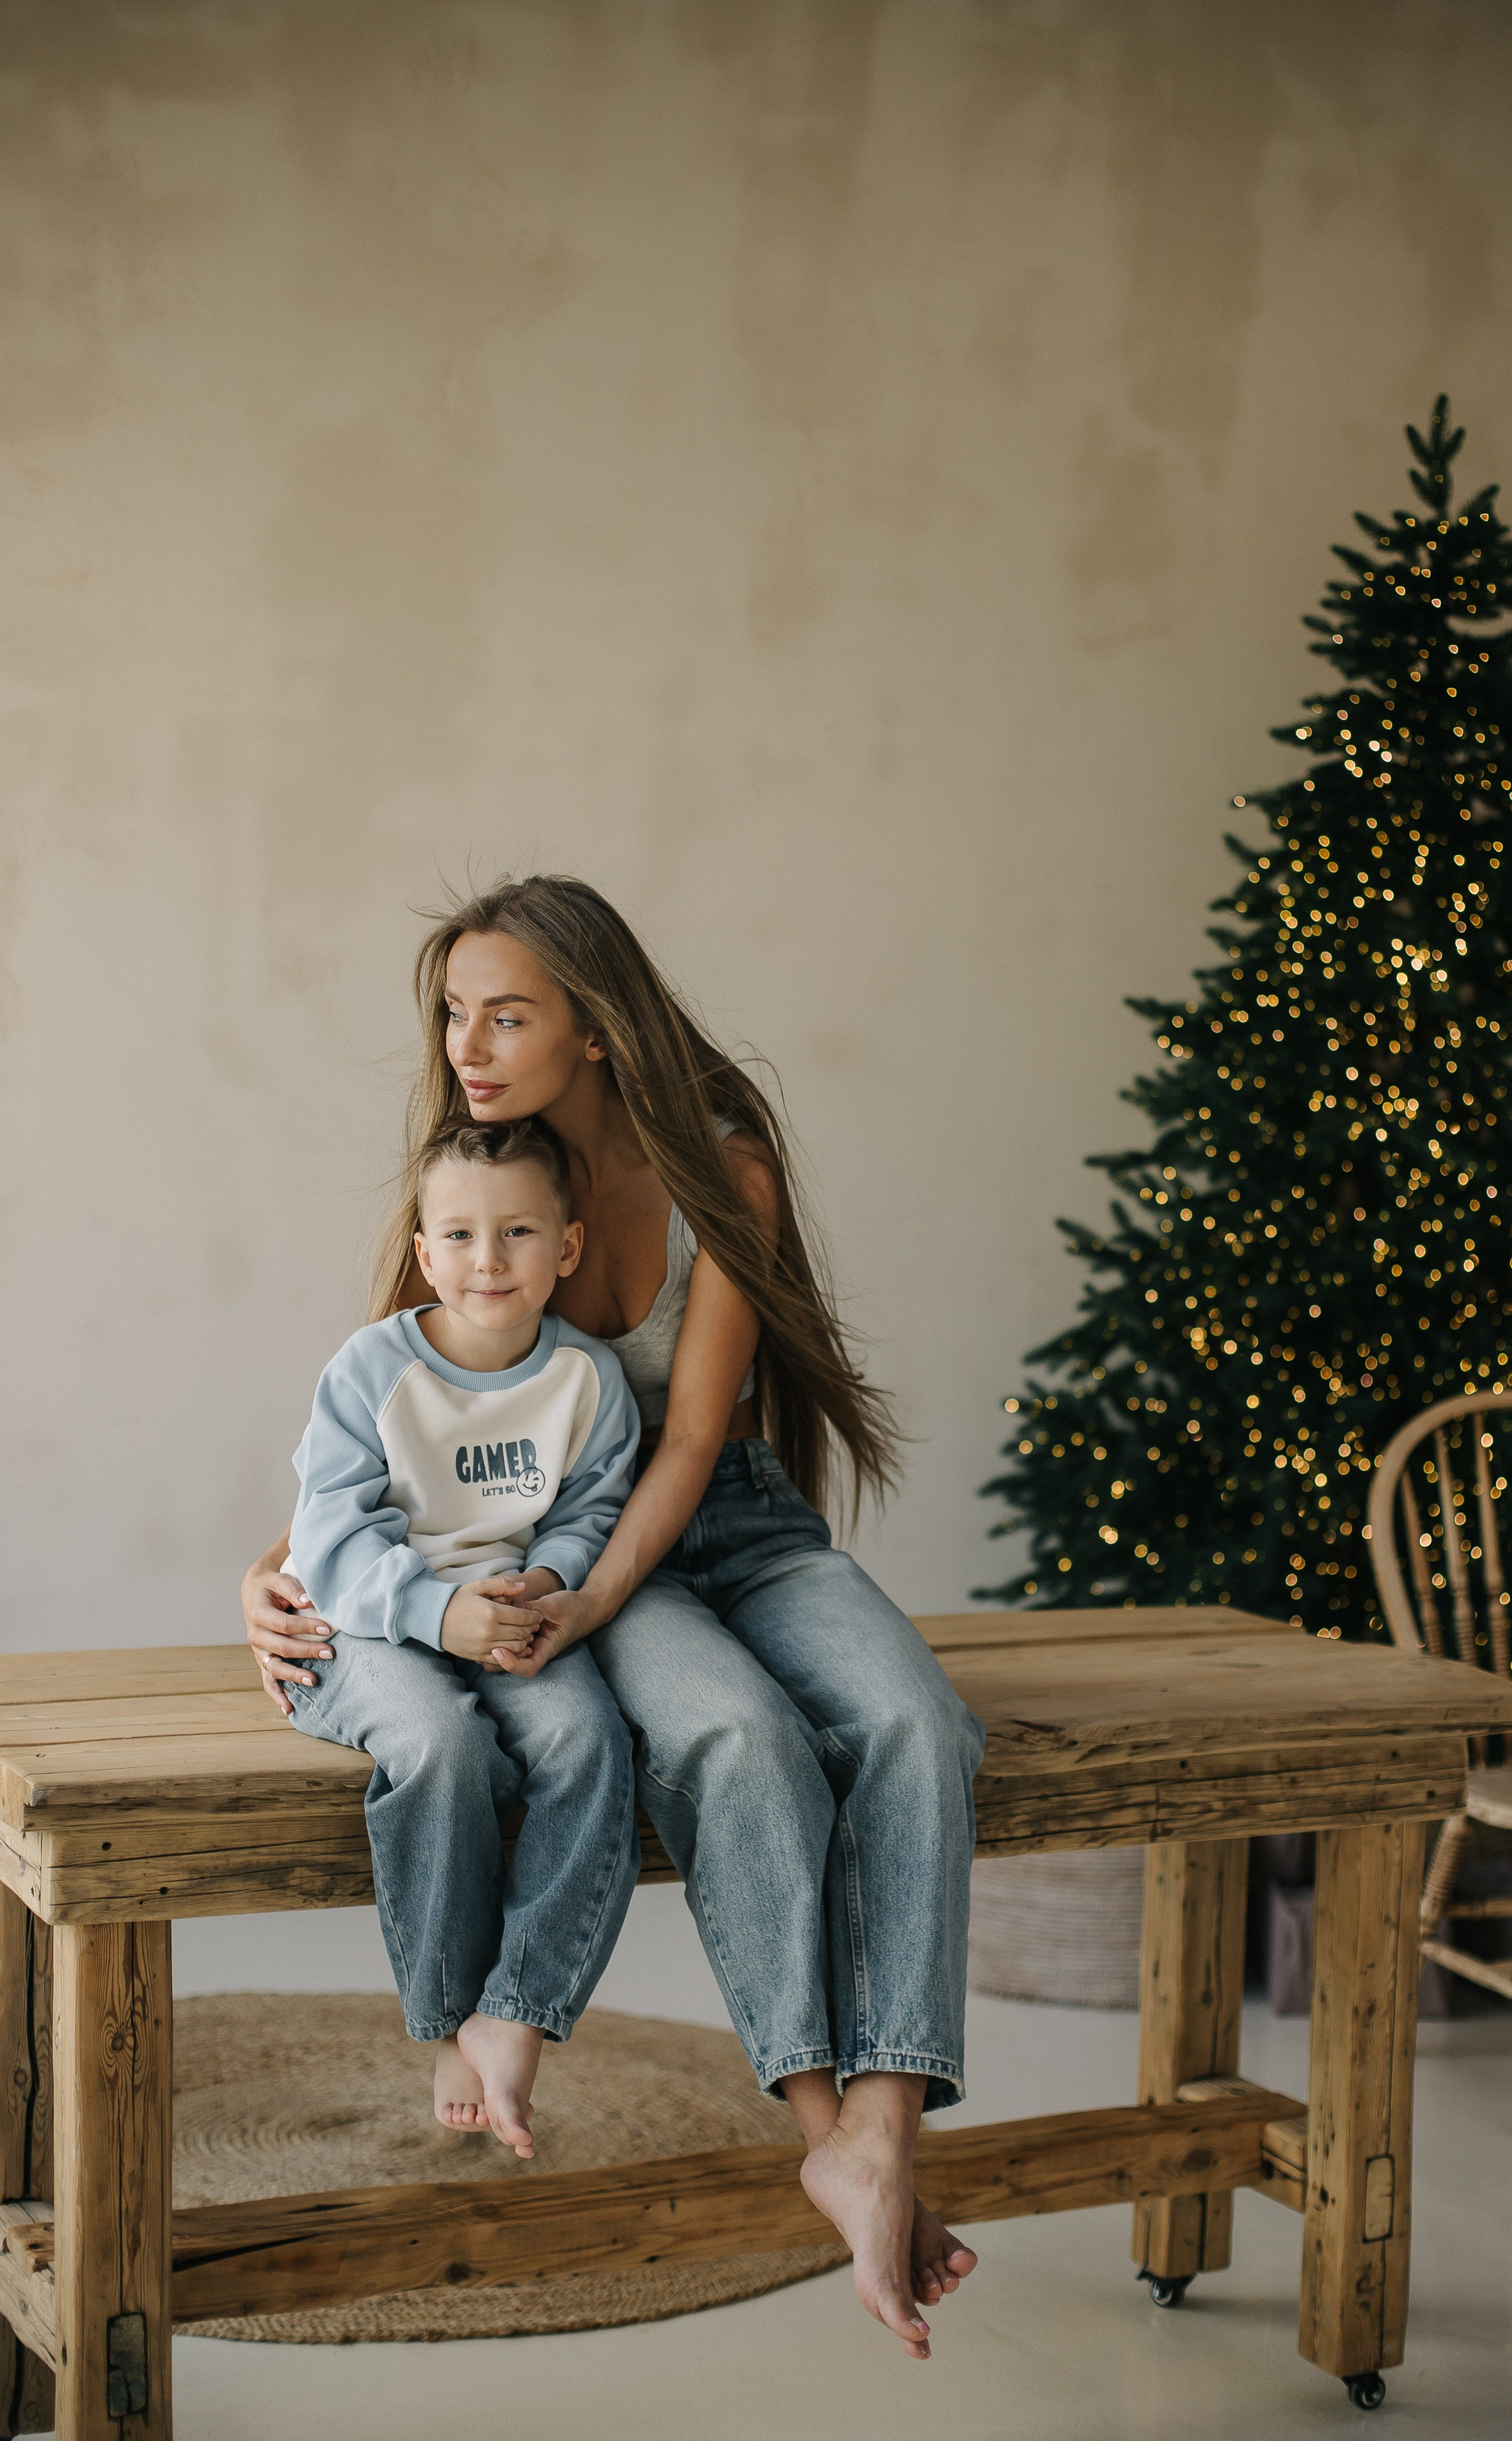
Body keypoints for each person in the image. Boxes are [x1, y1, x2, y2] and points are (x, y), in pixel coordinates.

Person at [243, 874, 984, 2361]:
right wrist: (269, 1569)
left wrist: (589, 1597)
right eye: (454, 1014)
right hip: (570, 1555)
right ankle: (825, 2131)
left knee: (921, 1723)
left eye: (505, 1016)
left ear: (593, 1025)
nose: (465, 1046)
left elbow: (695, 1437)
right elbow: (401, 1412)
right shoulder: (479, 1180)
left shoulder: (722, 1166)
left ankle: (883, 2127)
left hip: (720, 1524)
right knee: (734, 1737)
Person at [283, 1112, 642, 2159]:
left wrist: (548, 1581)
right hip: (364, 1626)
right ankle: (446, 2018)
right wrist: (438, 1613)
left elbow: (591, 1509)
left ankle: (516, 2007)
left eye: (519, 1232)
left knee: (590, 1740)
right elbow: (330, 1534)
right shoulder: (372, 1369)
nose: (489, 1260)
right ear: (425, 1252)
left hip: (508, 1617)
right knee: (441, 1745)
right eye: (460, 1236)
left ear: (566, 1247)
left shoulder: (588, 1380)